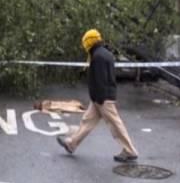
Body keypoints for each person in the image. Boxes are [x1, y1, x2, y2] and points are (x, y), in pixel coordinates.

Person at [56, 29, 139, 163]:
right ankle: (71, 144)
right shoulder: (105, 53)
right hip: (100, 97)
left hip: (102, 98)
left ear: (90, 42)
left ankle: (130, 151)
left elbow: (101, 79)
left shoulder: (98, 56)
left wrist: (98, 99)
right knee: (87, 121)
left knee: (115, 124)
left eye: (85, 42)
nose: (84, 45)